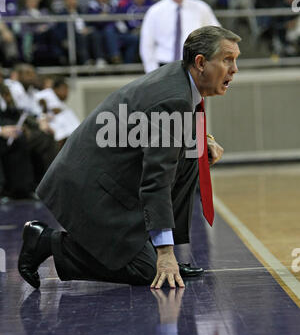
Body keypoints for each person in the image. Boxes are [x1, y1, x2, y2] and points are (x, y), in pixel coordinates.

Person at [17, 25, 241, 290]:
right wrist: (166, 254)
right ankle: (47, 241)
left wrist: (204, 138)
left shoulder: (180, 77)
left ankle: (150, 245)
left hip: (103, 171)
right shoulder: (173, 98)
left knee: (194, 151)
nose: (234, 69)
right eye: (228, 60)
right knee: (148, 272)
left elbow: (166, 126)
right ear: (201, 62)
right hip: (88, 186)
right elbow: (155, 180)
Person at [140, 0, 220, 73]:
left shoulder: (201, 8)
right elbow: (147, 44)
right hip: (164, 64)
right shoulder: (155, 11)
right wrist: (151, 71)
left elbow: (216, 36)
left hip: (194, 64)